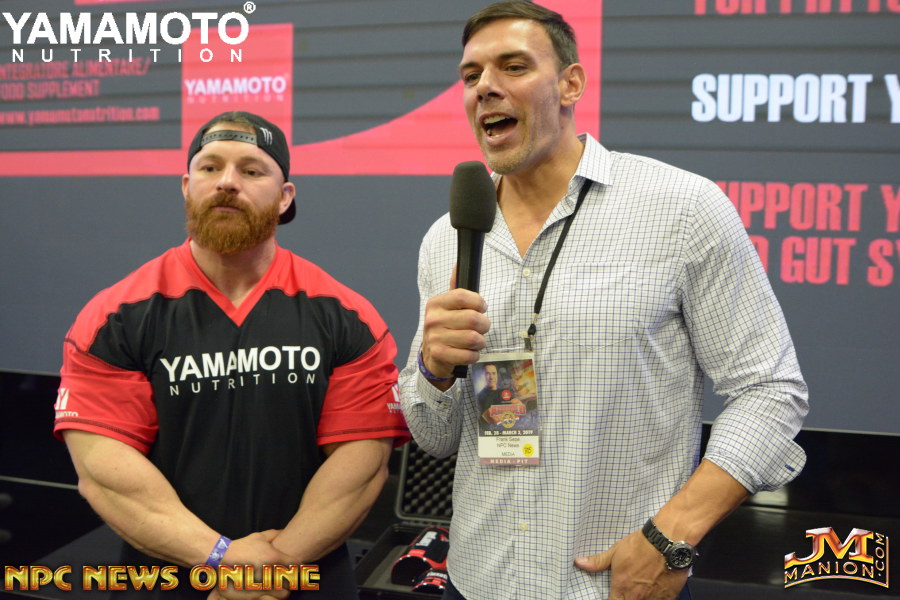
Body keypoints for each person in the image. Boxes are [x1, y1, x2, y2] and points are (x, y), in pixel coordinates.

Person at [398, 3, 808, 600]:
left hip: (614, 586)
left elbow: (770, 391)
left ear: (571, 84)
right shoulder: (449, 238)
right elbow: (435, 438)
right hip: (477, 578)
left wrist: (670, 536)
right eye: (470, 75)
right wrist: (434, 372)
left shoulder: (682, 209)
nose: (485, 87)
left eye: (513, 66)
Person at [54, 110, 409, 599]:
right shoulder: (115, 317)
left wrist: (272, 567)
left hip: (305, 577)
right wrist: (219, 557)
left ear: (284, 197)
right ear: (187, 187)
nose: (226, 182)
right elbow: (104, 471)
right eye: (210, 167)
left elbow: (361, 467)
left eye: (251, 170)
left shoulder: (347, 316)